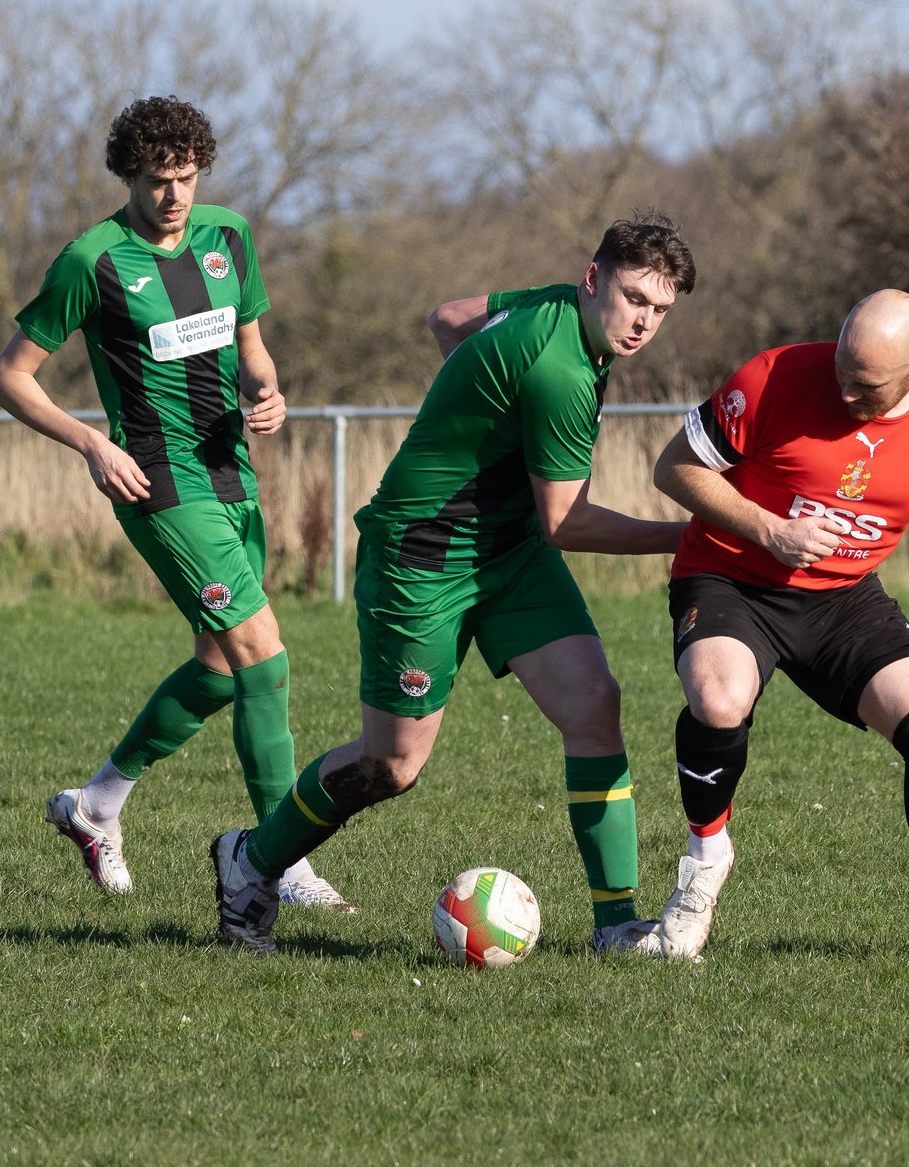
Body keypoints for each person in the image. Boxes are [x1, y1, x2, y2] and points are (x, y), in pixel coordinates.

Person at [209, 214, 698, 956]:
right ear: (595, 279)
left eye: (660, 310)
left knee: (595, 703)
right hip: (422, 557)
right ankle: (249, 861)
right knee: (392, 765)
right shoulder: (559, 365)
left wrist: (482, 408)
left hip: (510, 550)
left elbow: (450, 317)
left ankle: (616, 924)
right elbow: (567, 520)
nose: (643, 323)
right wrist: (691, 537)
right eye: (635, 299)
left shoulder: (553, 305)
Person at [0, 95, 350, 913]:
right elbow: (8, 377)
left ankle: (95, 806)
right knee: (263, 650)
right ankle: (279, 860)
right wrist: (91, 442)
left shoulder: (228, 238)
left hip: (230, 473)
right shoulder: (92, 260)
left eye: (187, 177)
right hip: (157, 482)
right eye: (158, 180)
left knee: (223, 670)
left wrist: (269, 393)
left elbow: (251, 347)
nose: (175, 195)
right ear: (129, 176)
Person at [637, 289, 909, 964]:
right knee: (718, 700)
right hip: (730, 577)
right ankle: (705, 865)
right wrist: (770, 529)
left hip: (843, 597)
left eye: (864, 386)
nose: (842, 391)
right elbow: (673, 469)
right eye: (838, 370)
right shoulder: (773, 378)